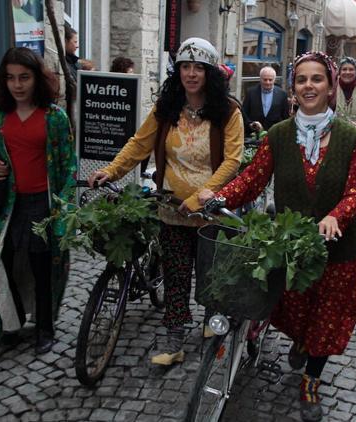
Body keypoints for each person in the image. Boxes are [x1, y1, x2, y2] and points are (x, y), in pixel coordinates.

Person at [198, 51, 356, 422]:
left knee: (327, 316)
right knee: (292, 308)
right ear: (294, 87)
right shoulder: (278, 135)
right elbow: (252, 179)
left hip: (336, 251)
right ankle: (301, 342)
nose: (310, 86)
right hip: (290, 246)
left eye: (317, 79)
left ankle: (311, 380)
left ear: (330, 86)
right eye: (302, 79)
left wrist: (335, 216)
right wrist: (221, 197)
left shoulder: (349, 137)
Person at [87, 38, 243, 366]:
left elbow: (232, 160)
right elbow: (139, 144)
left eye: (199, 67)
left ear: (210, 72)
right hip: (172, 209)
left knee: (210, 275)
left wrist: (204, 195)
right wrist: (111, 171)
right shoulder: (167, 107)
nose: (191, 73)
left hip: (210, 212)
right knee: (175, 275)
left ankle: (212, 325)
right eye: (185, 66)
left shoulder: (228, 112)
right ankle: (175, 340)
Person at [0, 47, 77, 354]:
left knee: (42, 267)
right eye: (10, 78)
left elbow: (67, 166)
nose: (17, 85)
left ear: (37, 78)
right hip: (6, 205)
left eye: (24, 77)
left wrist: (63, 210)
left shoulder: (54, 118)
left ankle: (45, 327)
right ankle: (11, 323)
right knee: (3, 264)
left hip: (42, 204)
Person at [242, 66, 290, 135]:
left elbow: (285, 118)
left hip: (274, 135)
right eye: (265, 79)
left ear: (274, 79)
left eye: (270, 80)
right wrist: (251, 124)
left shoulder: (282, 94)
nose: (267, 82)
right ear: (260, 79)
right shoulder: (250, 93)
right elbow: (244, 114)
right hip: (254, 136)